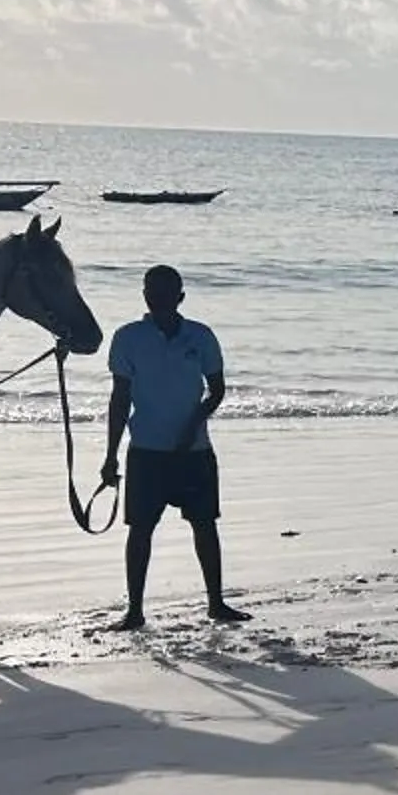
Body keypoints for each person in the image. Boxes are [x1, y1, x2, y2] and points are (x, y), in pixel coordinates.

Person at [100, 263, 251, 631]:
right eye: (152, 291)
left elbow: (216, 390)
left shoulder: (200, 336)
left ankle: (216, 603)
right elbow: (119, 400)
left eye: (166, 292)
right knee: (140, 530)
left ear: (180, 297)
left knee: (205, 525)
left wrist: (194, 423)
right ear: (144, 296)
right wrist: (110, 456)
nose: (158, 298)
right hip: (147, 450)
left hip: (194, 450)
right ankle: (134, 610)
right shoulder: (128, 337)